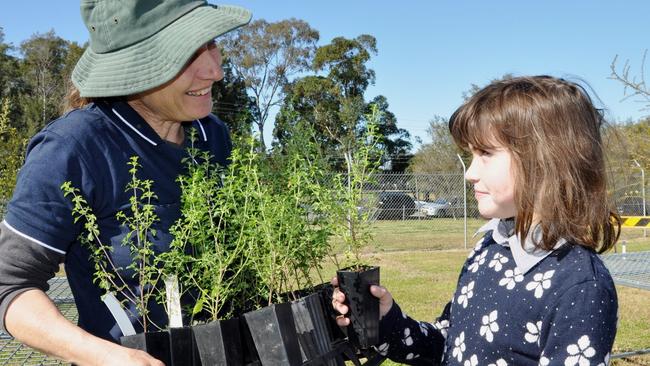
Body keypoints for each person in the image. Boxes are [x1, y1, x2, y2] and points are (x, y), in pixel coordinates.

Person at [0, 0, 251, 364]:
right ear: (133, 68)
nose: (214, 71)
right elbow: (10, 285)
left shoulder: (213, 138)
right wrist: (109, 357)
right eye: (187, 53)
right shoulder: (74, 148)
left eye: (211, 43)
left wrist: (326, 307)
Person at [333, 75, 620, 365]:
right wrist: (387, 320)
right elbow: (449, 342)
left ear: (546, 160)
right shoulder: (490, 248)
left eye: (486, 153)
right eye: (470, 155)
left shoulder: (581, 287)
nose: (470, 173)